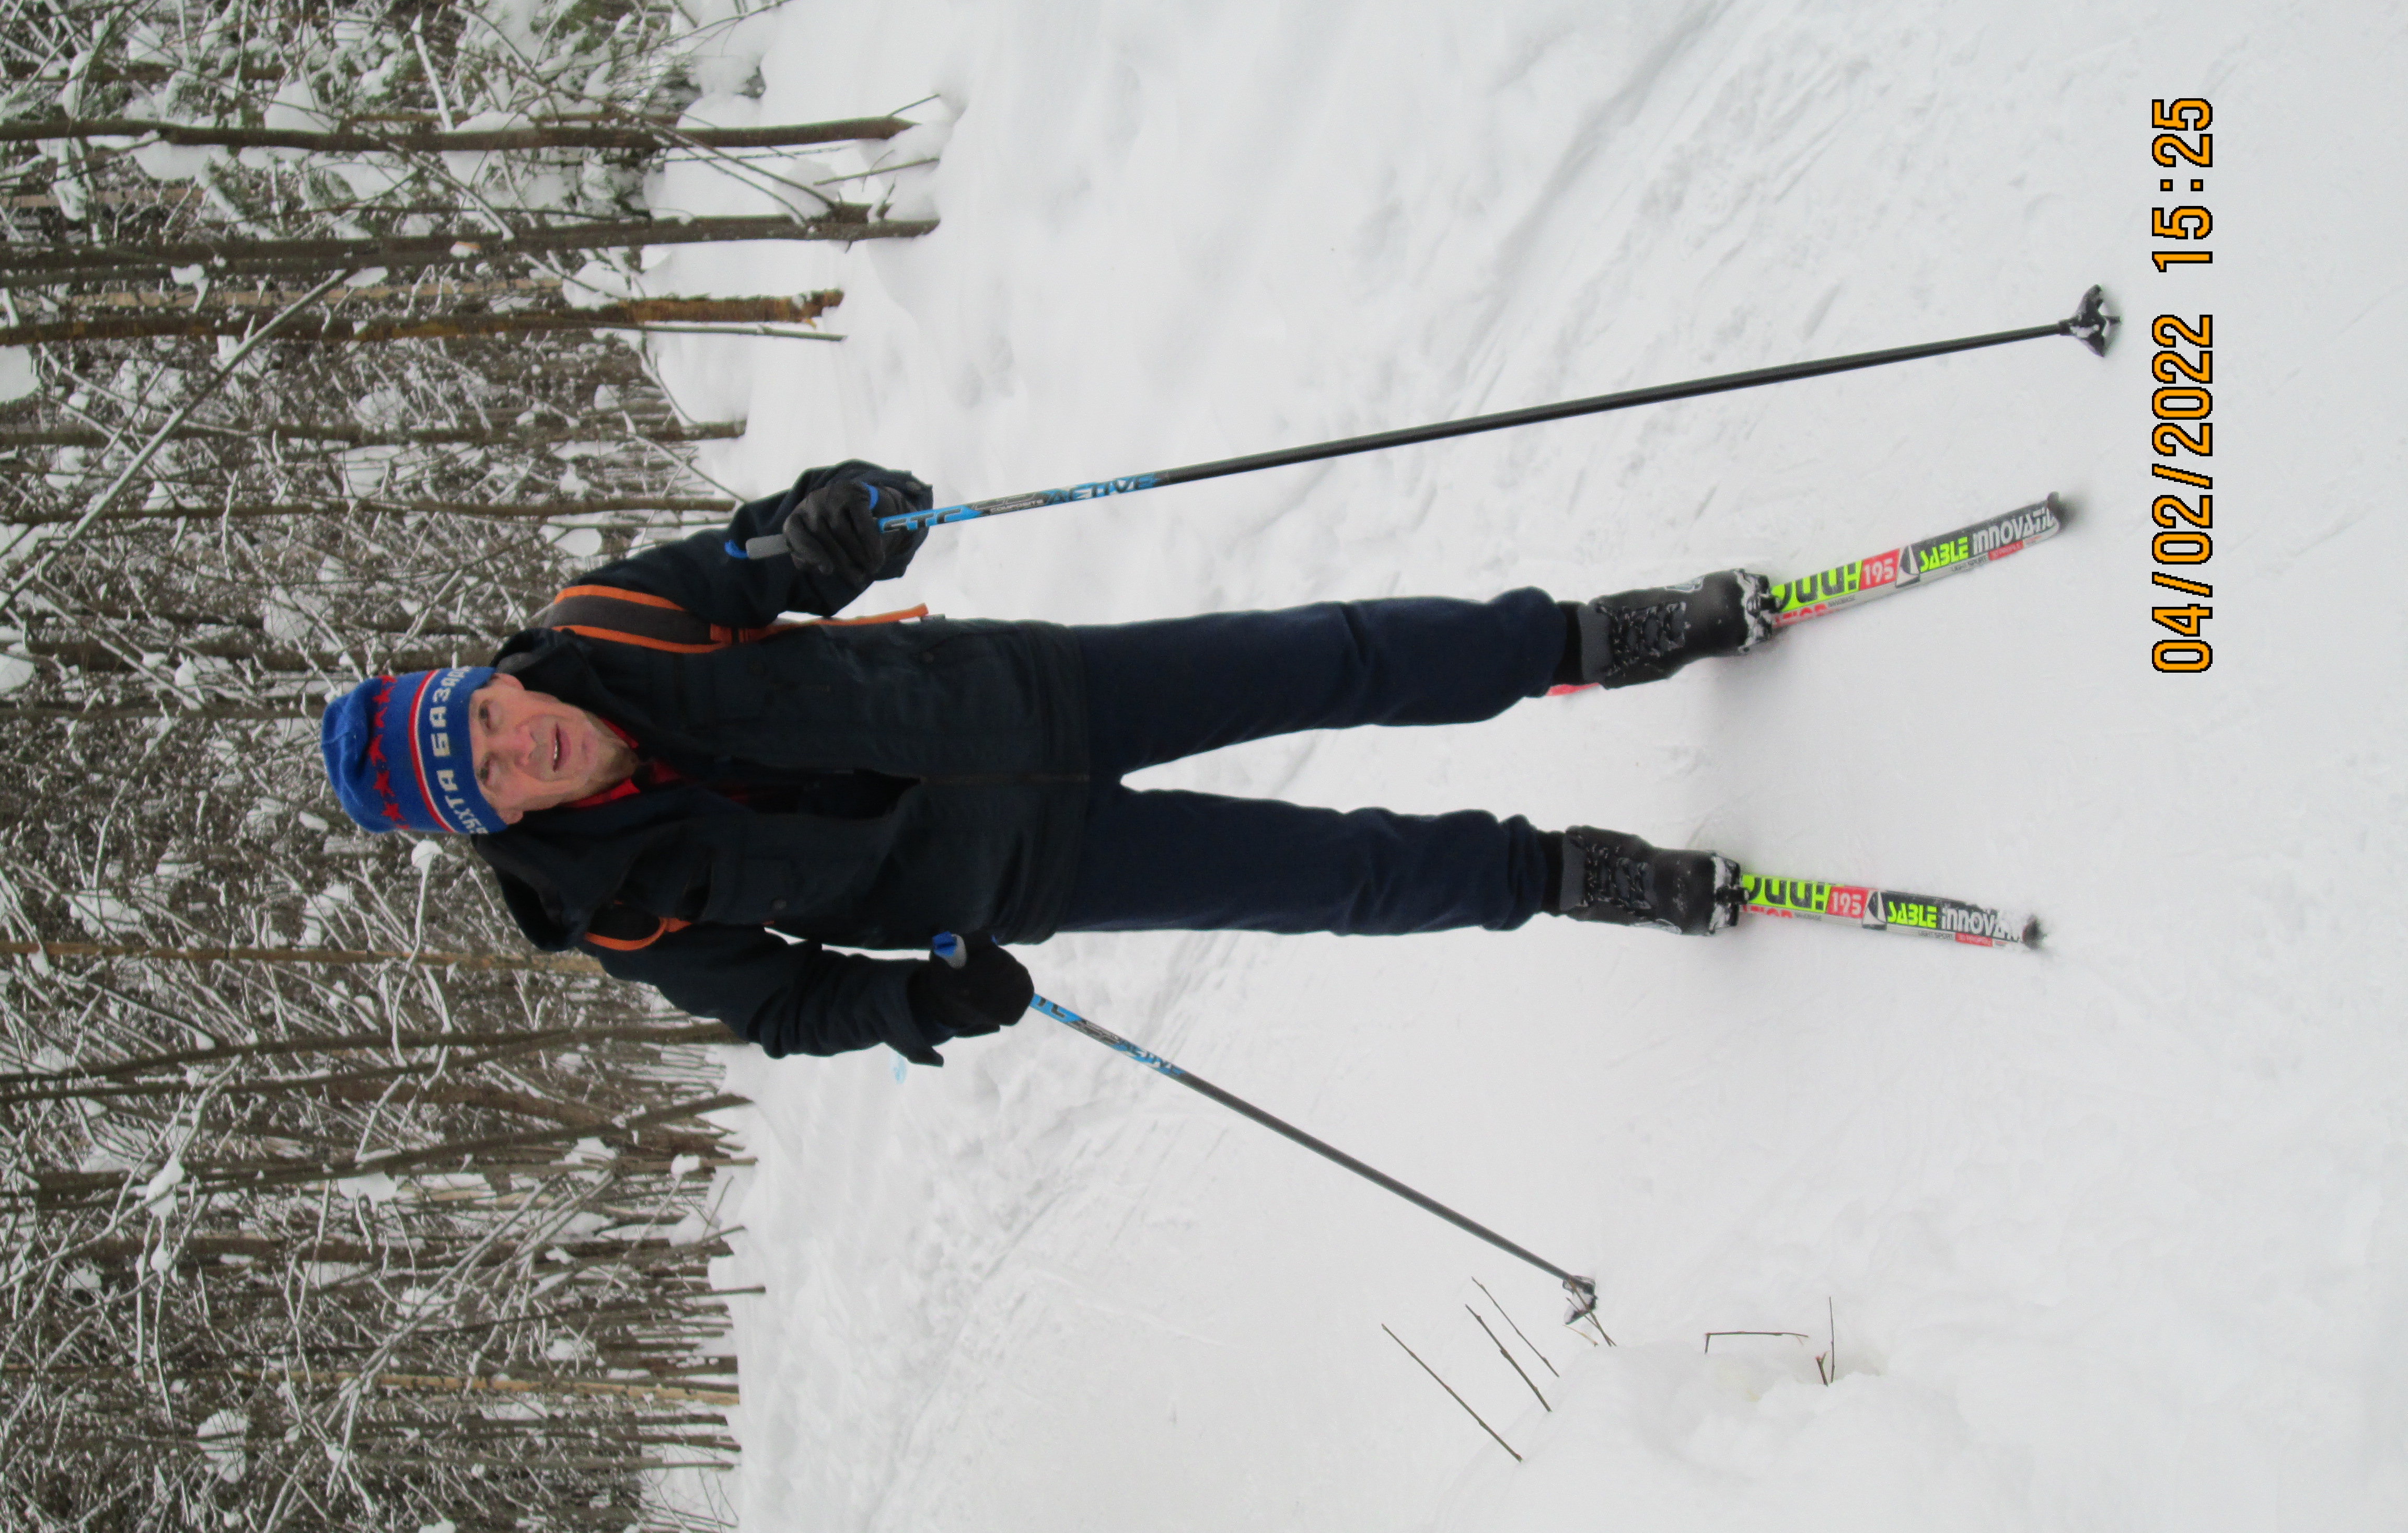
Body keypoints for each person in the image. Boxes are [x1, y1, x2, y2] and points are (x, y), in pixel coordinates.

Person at [320, 462, 1770, 1066]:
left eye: (485, 711)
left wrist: (840, 514)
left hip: (1028, 694)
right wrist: (920, 1004)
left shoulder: (609, 622)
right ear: (489, 819)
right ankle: (1577, 878)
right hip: (1030, 870)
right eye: (492, 770)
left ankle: (1590, 636)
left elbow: (757, 557)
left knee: (1333, 654)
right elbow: (788, 1002)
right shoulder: (614, 910)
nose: (521, 739)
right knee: (1335, 874)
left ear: (489, 676)